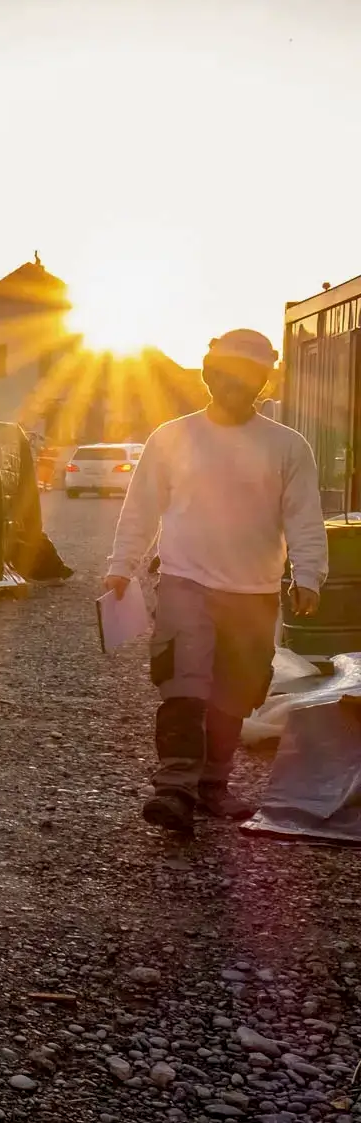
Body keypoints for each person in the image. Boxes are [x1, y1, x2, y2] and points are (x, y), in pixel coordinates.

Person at [105, 328, 326, 836]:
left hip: (255, 592)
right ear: (209, 375)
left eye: (249, 376)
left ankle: (213, 786)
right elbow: (140, 508)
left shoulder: (287, 446)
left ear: (262, 382)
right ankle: (174, 788)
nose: (236, 384)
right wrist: (122, 565)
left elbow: (304, 518)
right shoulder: (172, 438)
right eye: (226, 374)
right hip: (185, 580)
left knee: (234, 695)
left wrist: (309, 575)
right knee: (183, 685)